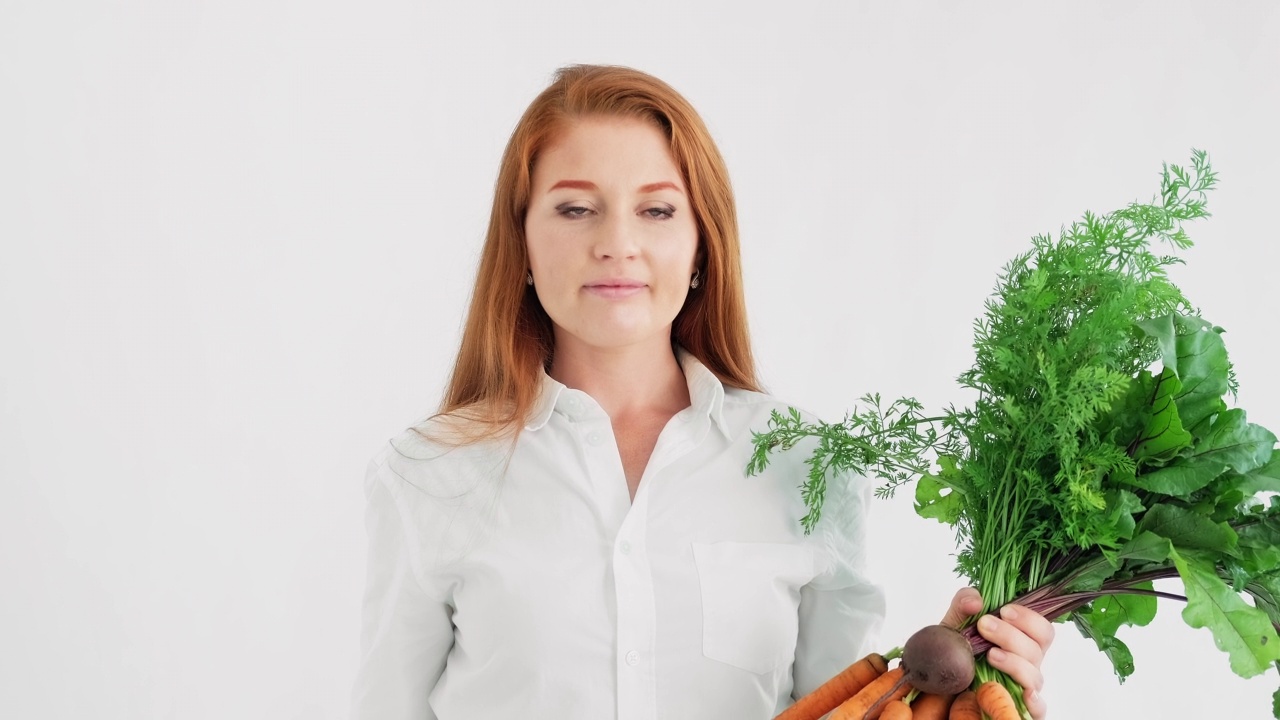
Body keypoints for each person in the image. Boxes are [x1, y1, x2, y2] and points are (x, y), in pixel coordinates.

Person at [350, 64, 1054, 720]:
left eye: (656, 211)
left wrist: (971, 686)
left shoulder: (806, 465)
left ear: (700, 249)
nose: (617, 243)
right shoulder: (429, 474)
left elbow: (847, 706)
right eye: (573, 210)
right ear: (522, 246)